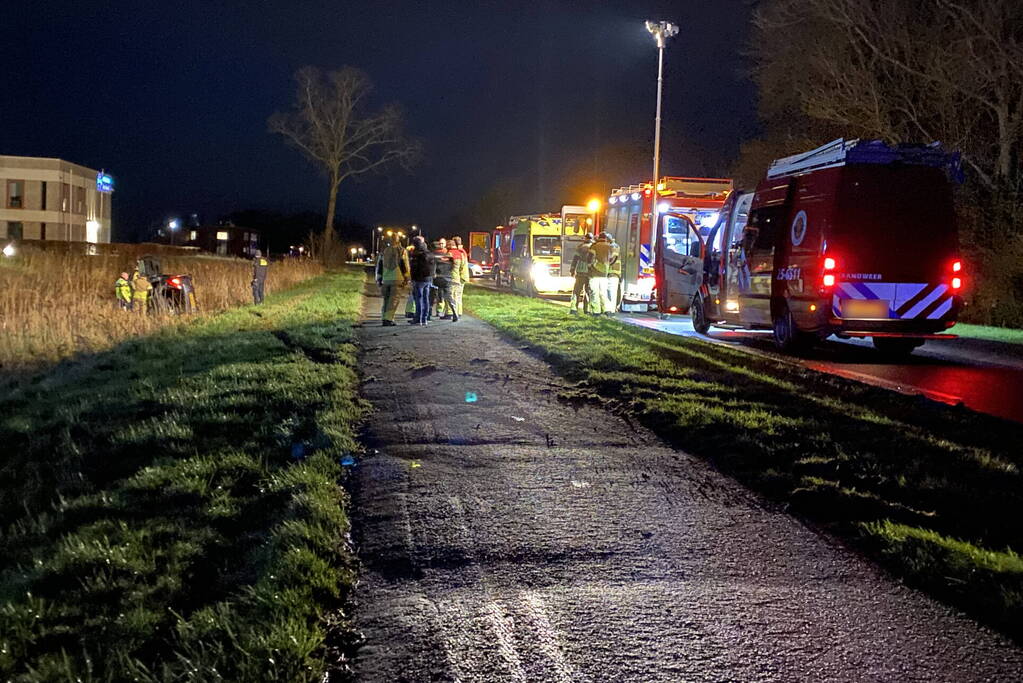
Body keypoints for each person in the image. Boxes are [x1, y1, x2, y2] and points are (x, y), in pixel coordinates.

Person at [375, 234, 410, 326]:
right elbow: (404, 266)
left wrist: (378, 278)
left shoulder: (384, 251)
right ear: (398, 240)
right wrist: (406, 277)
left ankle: (384, 317)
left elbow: (379, 266)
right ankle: (388, 319)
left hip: (385, 279)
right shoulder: (402, 251)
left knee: (386, 299)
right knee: (393, 300)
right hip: (397, 278)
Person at [409, 236, 436, 326]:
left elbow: (414, 268)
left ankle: (418, 319)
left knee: (418, 299)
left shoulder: (416, 254)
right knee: (426, 299)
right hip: (428, 279)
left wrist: (412, 278)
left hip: (419, 279)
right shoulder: (429, 253)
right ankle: (425, 319)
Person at [587, 232, 615, 315]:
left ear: (599, 237)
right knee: (604, 293)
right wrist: (608, 265)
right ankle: (607, 310)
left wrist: (589, 266)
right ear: (606, 238)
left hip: (594, 273)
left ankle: (596, 311)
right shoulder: (610, 247)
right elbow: (613, 258)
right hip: (604, 274)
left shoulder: (594, 246)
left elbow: (590, 258)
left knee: (594, 292)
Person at [431, 238, 459, 322]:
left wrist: (434, 275)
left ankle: (427, 315)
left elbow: (433, 267)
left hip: (438, 278)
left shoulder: (435, 255)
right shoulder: (449, 256)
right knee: (449, 297)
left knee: (433, 296)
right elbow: (453, 267)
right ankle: (455, 313)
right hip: (448, 278)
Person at [569, 233, 593, 314]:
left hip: (580, 272)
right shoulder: (593, 247)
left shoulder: (580, 247)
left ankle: (573, 309)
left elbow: (575, 259)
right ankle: (587, 310)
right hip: (590, 273)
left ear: (585, 238)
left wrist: (572, 270)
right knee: (588, 292)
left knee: (576, 291)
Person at [447, 236, 471, 317]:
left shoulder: (456, 252)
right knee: (458, 296)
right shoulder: (462, 252)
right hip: (462, 276)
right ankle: (459, 312)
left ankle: (451, 312)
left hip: (457, 277)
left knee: (453, 295)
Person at [606, 235, 622, 314]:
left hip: (613, 273)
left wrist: (606, 265)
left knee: (611, 293)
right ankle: (610, 309)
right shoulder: (612, 246)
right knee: (610, 292)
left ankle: (611, 310)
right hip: (612, 273)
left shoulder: (613, 247)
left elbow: (613, 258)